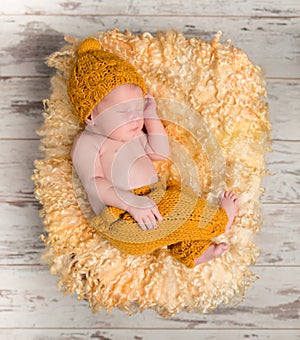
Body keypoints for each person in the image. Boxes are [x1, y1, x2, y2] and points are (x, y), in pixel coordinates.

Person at [68, 38, 238, 268]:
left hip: (153, 204)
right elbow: (93, 182)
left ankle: (194, 252)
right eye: (124, 111)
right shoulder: (88, 142)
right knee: (179, 204)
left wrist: (151, 115)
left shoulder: (134, 134)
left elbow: (159, 153)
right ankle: (219, 222)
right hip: (122, 217)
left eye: (138, 109)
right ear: (91, 116)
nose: (134, 118)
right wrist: (132, 202)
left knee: (176, 208)